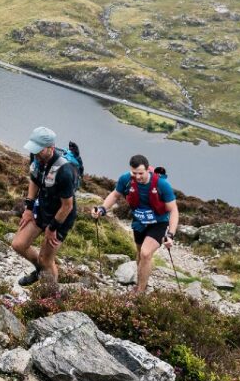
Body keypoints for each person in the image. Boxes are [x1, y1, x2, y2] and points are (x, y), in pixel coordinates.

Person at [92, 155, 178, 294]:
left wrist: (171, 234)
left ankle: (140, 291)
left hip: (158, 223)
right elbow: (115, 195)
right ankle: (141, 281)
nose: (137, 176)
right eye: (134, 173)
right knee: (139, 254)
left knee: (145, 253)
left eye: (140, 173)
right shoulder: (125, 179)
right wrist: (102, 209)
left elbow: (173, 210)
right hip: (139, 222)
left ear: (147, 170)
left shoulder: (162, 184)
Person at [11, 126, 80, 287]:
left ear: (51, 148)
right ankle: (39, 271)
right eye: (33, 149)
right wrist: (28, 209)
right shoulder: (36, 157)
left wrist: (52, 228)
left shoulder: (64, 171)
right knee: (18, 244)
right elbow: (34, 181)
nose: (35, 153)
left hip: (61, 217)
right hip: (42, 208)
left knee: (46, 259)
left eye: (39, 150)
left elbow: (67, 206)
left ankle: (51, 295)